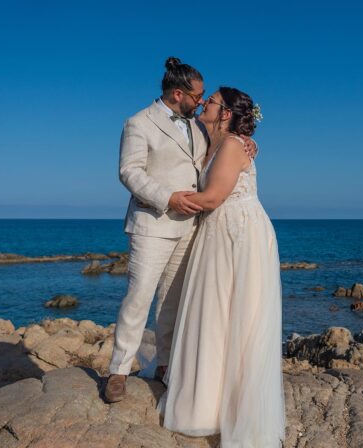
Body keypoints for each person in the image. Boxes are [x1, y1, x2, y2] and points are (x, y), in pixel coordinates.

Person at [104, 58, 255, 402]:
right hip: (153, 223)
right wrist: (167, 197)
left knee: (173, 300)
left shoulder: (200, 127)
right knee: (139, 296)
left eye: (206, 97)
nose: (203, 102)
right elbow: (129, 172)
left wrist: (248, 143)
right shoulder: (138, 123)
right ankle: (118, 371)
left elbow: (221, 151)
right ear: (177, 93)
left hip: (193, 227)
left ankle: (165, 365)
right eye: (198, 96)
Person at [159, 87, 285, 447]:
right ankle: (205, 406)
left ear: (226, 113)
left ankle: (233, 409)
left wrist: (163, 200)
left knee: (236, 317)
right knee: (213, 317)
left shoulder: (232, 145)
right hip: (219, 232)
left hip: (238, 233)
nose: (203, 103)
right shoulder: (211, 140)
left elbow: (213, 197)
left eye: (210, 101)